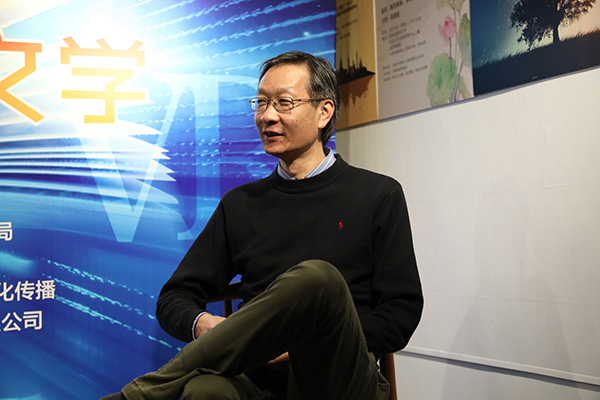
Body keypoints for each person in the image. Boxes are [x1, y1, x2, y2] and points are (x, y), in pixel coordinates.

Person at [100, 51, 423, 400]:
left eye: (284, 102)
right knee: (204, 390)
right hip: (258, 374)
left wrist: (299, 345)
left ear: (324, 112)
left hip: (337, 375)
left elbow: (400, 314)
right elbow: (174, 297)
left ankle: (138, 396)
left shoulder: (378, 195)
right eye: (261, 102)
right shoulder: (241, 204)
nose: (267, 116)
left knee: (317, 278)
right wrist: (208, 326)